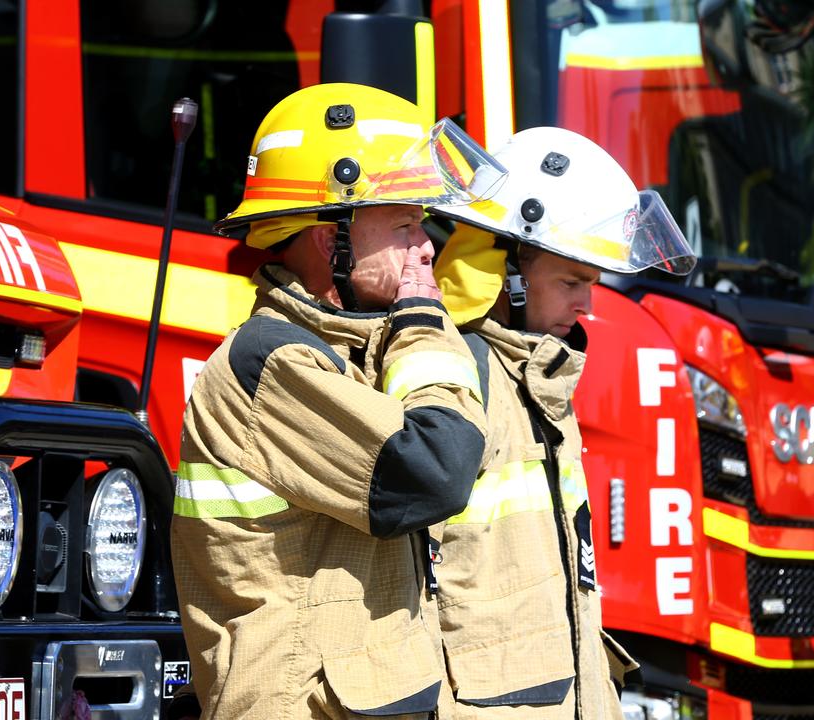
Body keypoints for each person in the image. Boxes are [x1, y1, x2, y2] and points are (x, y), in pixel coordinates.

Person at [170, 82, 507, 719]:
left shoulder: (341, 353)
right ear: (332, 240)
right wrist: (424, 322)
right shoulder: (275, 363)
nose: (426, 246)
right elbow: (438, 467)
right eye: (406, 224)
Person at [429, 127, 696, 718]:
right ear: (504, 274)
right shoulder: (452, 376)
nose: (588, 307)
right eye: (572, 282)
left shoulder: (542, 381)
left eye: (591, 285)